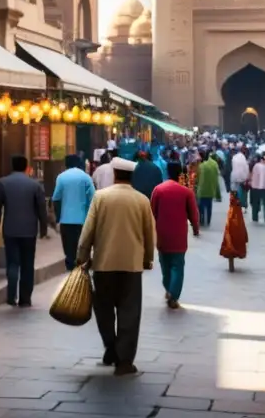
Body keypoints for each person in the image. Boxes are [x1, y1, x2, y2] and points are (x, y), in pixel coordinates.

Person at [77, 157, 155, 376]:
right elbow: (150, 234)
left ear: (114, 174)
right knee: (129, 311)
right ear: (131, 176)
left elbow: (88, 231)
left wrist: (82, 255)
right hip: (131, 265)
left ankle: (111, 347)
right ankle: (125, 361)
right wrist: (148, 258)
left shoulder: (100, 197)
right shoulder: (141, 200)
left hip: (103, 264)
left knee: (103, 310)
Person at [0, 155, 48, 307]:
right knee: (27, 264)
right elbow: (42, 209)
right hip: (29, 231)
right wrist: (43, 228)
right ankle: (25, 298)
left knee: (13, 263)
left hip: (10, 229)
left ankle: (11, 296)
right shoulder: (35, 185)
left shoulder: (2, 183)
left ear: (12, 166)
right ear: (26, 167)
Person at [150, 160, 199, 309]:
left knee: (165, 264)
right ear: (180, 173)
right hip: (179, 236)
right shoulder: (186, 192)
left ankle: (168, 288)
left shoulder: (158, 190)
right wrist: (196, 229)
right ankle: (174, 294)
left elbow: (152, 213)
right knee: (177, 266)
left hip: (162, 235)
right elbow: (193, 214)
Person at [51, 153, 95, 270]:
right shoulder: (86, 177)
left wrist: (58, 217)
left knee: (69, 251)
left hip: (66, 220)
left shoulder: (61, 177)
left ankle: (71, 274)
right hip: (83, 221)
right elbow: (93, 198)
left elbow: (56, 199)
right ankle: (82, 273)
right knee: (82, 248)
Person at [220, 190, 249, 271]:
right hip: (237, 232)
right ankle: (231, 266)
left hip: (231, 231)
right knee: (233, 248)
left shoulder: (233, 208)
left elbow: (231, 221)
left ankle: (231, 267)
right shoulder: (237, 207)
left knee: (230, 248)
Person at [195, 152, 222, 227]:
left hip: (202, 190)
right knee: (209, 205)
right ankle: (208, 221)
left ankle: (202, 220)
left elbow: (196, 179)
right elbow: (216, 180)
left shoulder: (201, 166)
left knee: (201, 206)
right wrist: (218, 194)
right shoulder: (214, 164)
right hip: (211, 189)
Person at [249, 153, 265, 223]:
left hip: (255, 187)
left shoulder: (256, 166)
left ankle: (255, 218)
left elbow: (253, 176)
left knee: (255, 203)